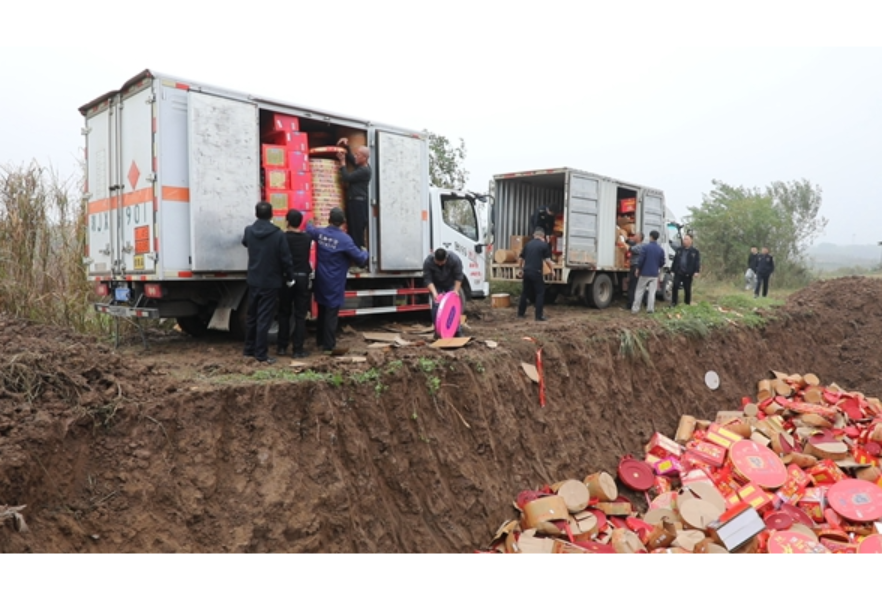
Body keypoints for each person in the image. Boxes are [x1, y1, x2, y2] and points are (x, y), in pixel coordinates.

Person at [306, 208, 369, 353]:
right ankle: (328, 346)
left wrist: (309, 221)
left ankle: (320, 341)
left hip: (320, 279)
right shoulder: (344, 239)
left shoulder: (320, 234)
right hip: (334, 282)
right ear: (344, 223)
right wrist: (366, 252)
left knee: (322, 311)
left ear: (329, 220)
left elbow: (310, 229)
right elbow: (360, 259)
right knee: (331, 314)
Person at [242, 202, 295, 365]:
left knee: (252, 316)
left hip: (254, 279)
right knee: (264, 318)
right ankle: (261, 354)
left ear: (256, 214)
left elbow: (245, 243)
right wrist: (290, 277)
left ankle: (248, 350)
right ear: (271, 215)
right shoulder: (278, 234)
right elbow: (285, 258)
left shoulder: (249, 231)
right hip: (271, 281)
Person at [277, 210, 313, 359]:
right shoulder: (307, 238)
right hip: (303, 278)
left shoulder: (282, 238)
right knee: (300, 315)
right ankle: (298, 349)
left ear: (287, 221)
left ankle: (282, 347)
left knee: (284, 313)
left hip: (286, 278)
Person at [337, 138, 372, 253]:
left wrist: (342, 164)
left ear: (364, 158)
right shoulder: (361, 166)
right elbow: (352, 160)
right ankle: (357, 258)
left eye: (358, 155)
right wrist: (347, 147)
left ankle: (360, 262)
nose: (355, 157)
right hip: (355, 203)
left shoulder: (364, 171)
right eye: (356, 154)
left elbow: (347, 178)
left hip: (358, 205)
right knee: (352, 231)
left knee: (357, 233)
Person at [423, 248, 465, 337]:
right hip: (436, 285)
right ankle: (438, 331)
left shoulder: (454, 259)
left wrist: (456, 291)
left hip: (450, 283)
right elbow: (427, 279)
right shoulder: (428, 262)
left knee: (454, 307)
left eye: (442, 262)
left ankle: (457, 330)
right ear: (434, 258)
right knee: (436, 305)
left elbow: (459, 277)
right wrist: (435, 294)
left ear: (446, 258)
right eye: (438, 262)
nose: (440, 264)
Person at [518, 229, 556, 322]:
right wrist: (552, 270)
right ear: (542, 237)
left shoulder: (528, 244)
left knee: (525, 293)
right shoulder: (544, 245)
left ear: (534, 236)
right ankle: (538, 316)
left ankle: (520, 314)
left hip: (526, 272)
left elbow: (521, 258)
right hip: (536, 272)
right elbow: (547, 260)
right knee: (540, 293)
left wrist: (520, 269)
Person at [632, 230, 666, 314]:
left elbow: (641, 260)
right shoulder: (660, 249)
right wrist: (657, 266)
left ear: (650, 237)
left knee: (639, 290)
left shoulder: (645, 247)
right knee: (652, 292)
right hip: (654, 274)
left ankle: (635, 309)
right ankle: (650, 309)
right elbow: (662, 262)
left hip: (644, 273)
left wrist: (638, 269)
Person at [671, 234, 701, 307]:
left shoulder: (695, 251)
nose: (684, 241)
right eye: (684, 239)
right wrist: (672, 270)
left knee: (687, 289)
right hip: (678, 271)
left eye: (686, 239)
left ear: (691, 240)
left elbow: (697, 262)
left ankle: (687, 304)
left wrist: (696, 271)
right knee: (675, 286)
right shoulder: (679, 250)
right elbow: (675, 260)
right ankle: (674, 303)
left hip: (688, 273)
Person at [626, 232, 646, 310]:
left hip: (635, 267)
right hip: (637, 267)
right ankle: (644, 301)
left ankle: (630, 304)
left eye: (635, 236)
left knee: (632, 286)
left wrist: (624, 243)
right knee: (639, 286)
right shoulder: (640, 245)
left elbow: (630, 249)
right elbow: (631, 242)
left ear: (639, 238)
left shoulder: (639, 247)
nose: (634, 237)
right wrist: (627, 239)